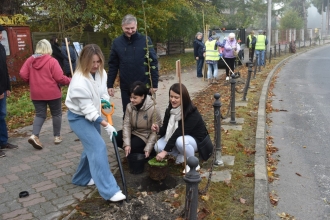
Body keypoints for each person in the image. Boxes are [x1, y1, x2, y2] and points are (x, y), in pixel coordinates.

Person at [65, 44, 126, 202]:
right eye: (92, 62)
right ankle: (109, 191)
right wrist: (106, 124)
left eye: (98, 61)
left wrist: (105, 101)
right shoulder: (79, 82)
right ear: (84, 61)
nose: (96, 65)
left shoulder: (100, 73)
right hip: (78, 118)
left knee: (90, 148)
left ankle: (81, 178)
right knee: (98, 147)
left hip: (94, 114)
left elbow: (103, 92)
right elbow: (87, 110)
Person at [19, 39, 71, 149]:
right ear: (48, 48)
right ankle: (57, 137)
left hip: (36, 93)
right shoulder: (52, 61)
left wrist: (31, 81)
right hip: (52, 92)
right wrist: (71, 81)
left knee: (40, 114)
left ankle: (34, 135)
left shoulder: (30, 60)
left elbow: (22, 74)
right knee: (56, 114)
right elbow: (59, 77)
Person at [107, 14, 159, 117]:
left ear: (136, 26)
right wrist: (110, 84)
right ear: (122, 27)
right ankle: (129, 133)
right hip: (126, 86)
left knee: (145, 115)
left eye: (132, 28)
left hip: (144, 85)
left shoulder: (145, 40)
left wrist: (154, 83)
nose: (130, 31)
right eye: (127, 28)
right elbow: (113, 64)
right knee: (128, 114)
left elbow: (153, 61)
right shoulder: (117, 43)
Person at [151, 83, 209, 173]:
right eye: (171, 96)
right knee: (158, 147)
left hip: (195, 141)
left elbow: (179, 132)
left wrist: (165, 152)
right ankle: (182, 154)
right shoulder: (170, 110)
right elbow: (166, 130)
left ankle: (193, 163)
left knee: (180, 141)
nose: (173, 100)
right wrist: (158, 129)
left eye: (176, 97)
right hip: (180, 139)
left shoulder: (192, 113)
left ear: (183, 98)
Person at [115, 81, 162, 158]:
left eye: (135, 98)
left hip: (146, 135)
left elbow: (155, 132)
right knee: (116, 137)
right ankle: (131, 152)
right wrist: (127, 144)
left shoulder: (154, 108)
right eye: (130, 97)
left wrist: (148, 148)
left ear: (143, 96)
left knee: (134, 146)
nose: (131, 100)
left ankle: (148, 153)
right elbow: (126, 125)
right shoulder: (129, 107)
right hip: (134, 132)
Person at [0, 25, 18, 157]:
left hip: (2, 89)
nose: (1, 36)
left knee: (2, 115)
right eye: (0, 33)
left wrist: (7, 88)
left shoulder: (1, 48)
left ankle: (3, 141)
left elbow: (4, 70)